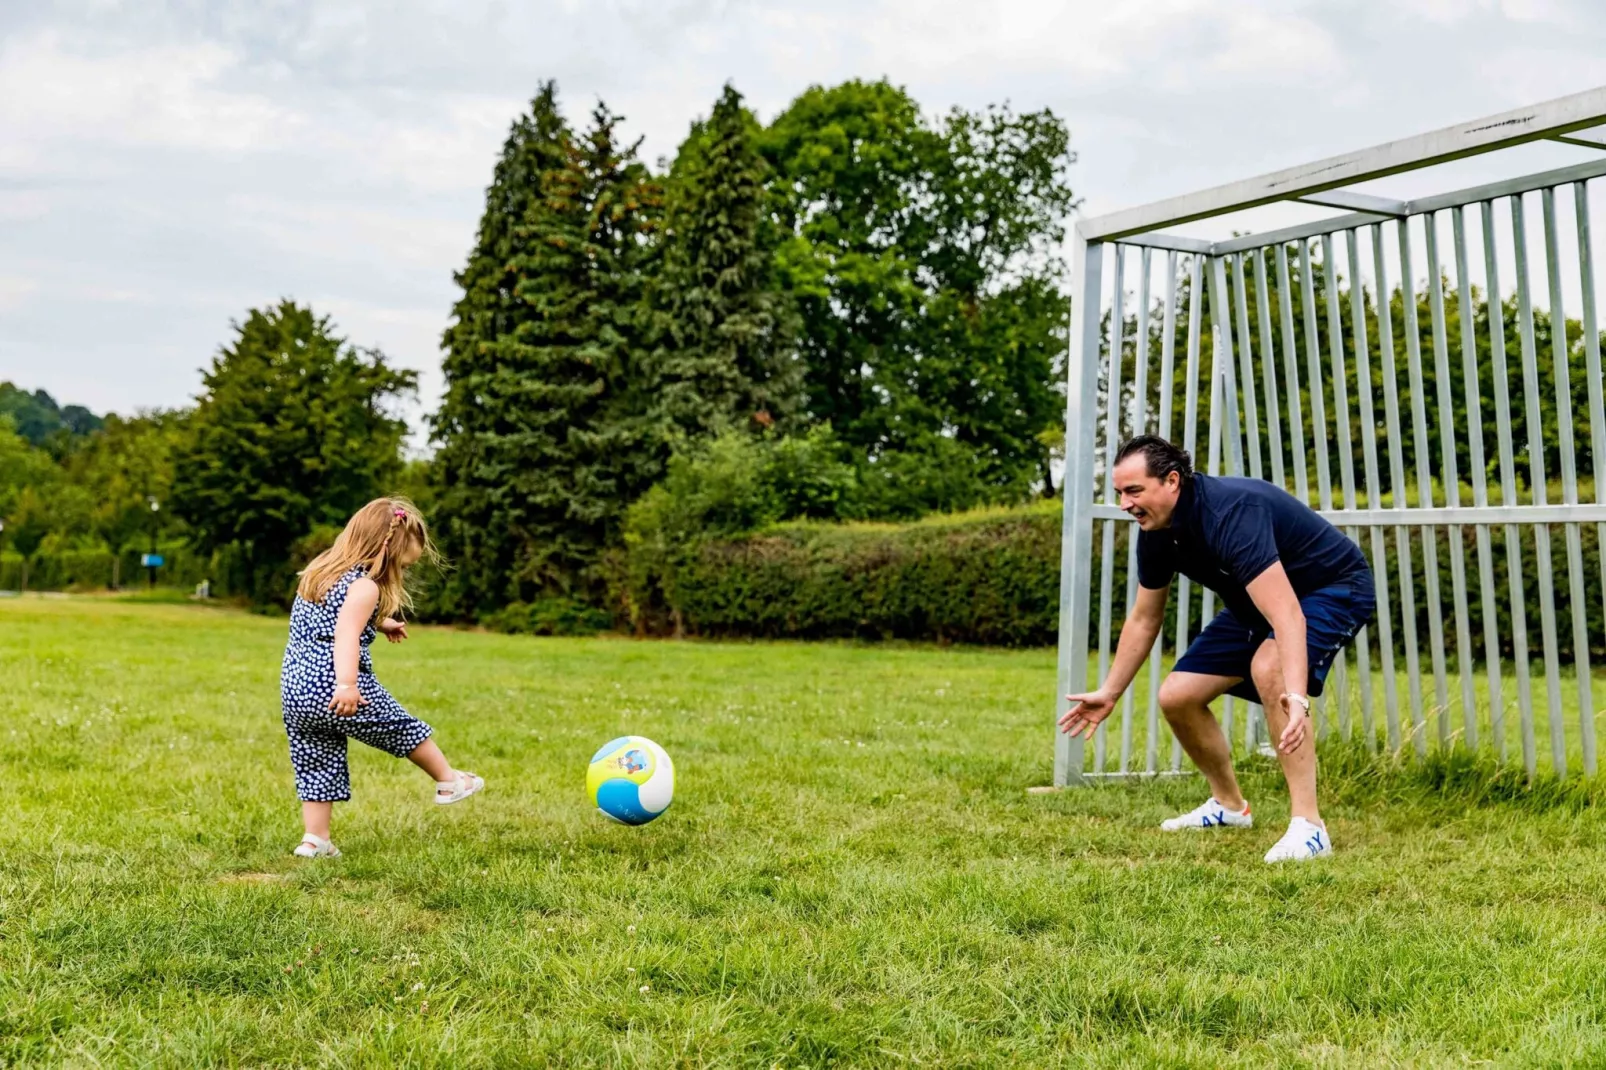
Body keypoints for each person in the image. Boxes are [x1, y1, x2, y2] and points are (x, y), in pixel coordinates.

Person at [1060, 436, 1375, 863]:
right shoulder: (1155, 530)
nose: (1124, 504)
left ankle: (1310, 827)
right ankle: (1230, 806)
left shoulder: (1230, 514)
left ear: (1172, 481)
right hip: (1257, 602)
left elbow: (1288, 617)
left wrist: (1296, 699)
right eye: (1118, 492)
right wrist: (1110, 692)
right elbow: (1144, 617)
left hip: (1331, 588)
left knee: (1270, 666)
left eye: (1133, 491)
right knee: (1178, 696)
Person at [280, 498, 483, 858]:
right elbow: (345, 634)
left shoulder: (319, 572)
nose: (403, 571)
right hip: (336, 685)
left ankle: (315, 840)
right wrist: (347, 684)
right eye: (404, 563)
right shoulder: (365, 587)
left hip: (296, 689)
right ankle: (448, 780)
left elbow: (336, 616)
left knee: (315, 760)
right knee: (400, 727)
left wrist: (382, 621)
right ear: (388, 548)